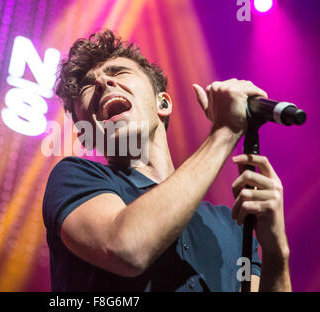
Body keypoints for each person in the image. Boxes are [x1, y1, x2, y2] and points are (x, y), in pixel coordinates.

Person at [42, 30, 291, 291]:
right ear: (86, 135)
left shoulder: (231, 226)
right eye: (88, 85)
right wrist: (225, 132)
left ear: (162, 103)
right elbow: (126, 248)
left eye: (118, 72)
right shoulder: (73, 178)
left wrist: (276, 251)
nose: (104, 81)